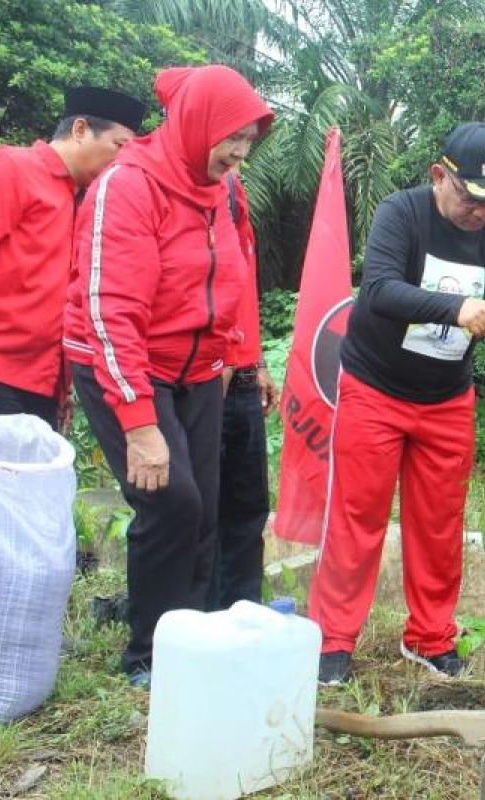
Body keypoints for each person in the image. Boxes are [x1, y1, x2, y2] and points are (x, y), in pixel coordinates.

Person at [309, 122, 485, 684]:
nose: (484, 213)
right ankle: (332, 639)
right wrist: (455, 308)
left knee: (439, 526)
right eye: (474, 198)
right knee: (358, 518)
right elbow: (376, 290)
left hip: (446, 401)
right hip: (375, 389)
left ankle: (429, 637)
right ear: (439, 177)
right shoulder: (402, 213)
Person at [63, 65, 273, 686]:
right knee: (170, 500)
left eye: (248, 143)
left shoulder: (221, 190)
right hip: (124, 363)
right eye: (230, 138)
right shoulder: (128, 186)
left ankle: (192, 638)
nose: (238, 154)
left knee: (205, 507)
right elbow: (109, 312)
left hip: (200, 367)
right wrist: (138, 423)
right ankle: (149, 654)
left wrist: (246, 358)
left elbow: (230, 280)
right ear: (195, 123)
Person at [0, 87, 145, 427]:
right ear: (79, 130)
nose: (121, 161)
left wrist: (61, 387)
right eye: (119, 146)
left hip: (43, 381)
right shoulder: (12, 170)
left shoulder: (85, 200)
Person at [206, 169, 278, 611]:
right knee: (203, 510)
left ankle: (243, 613)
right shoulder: (166, 193)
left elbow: (241, 289)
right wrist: (218, 363)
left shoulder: (233, 194)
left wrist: (257, 361)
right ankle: (201, 618)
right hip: (202, 376)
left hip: (243, 376)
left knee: (248, 505)